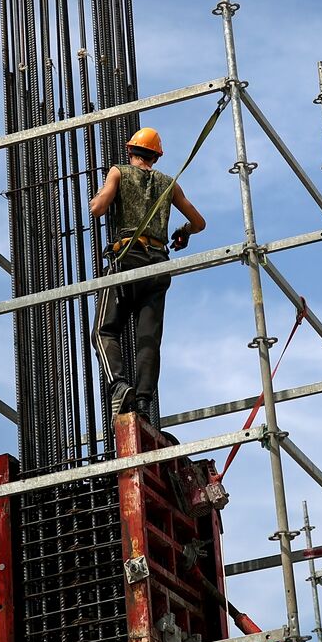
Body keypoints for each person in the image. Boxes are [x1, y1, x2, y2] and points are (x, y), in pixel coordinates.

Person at [90, 126, 206, 421]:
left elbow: (98, 209)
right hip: (157, 265)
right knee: (148, 339)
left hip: (127, 260)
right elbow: (198, 222)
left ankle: (118, 386)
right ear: (155, 156)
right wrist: (183, 232)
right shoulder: (169, 184)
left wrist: (98, 196)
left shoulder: (118, 172)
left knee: (104, 330)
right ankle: (143, 402)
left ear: (131, 152)